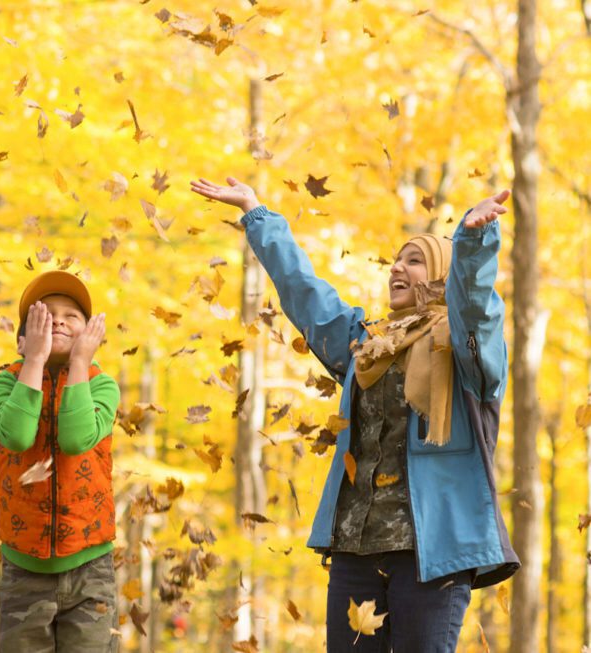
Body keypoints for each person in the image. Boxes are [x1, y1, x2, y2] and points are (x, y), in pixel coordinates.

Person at [190, 177, 519, 652]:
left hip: (432, 554)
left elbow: (476, 309)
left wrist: (471, 240)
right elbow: (306, 294)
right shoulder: (366, 344)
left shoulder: (470, 354)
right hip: (355, 546)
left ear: (443, 276)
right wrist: (256, 214)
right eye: (395, 261)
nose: (396, 268)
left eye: (414, 259)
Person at [0, 270, 120, 652]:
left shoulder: (101, 384)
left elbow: (76, 439)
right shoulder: (6, 381)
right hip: (23, 567)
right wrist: (34, 360)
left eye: (71, 316)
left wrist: (79, 364)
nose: (59, 320)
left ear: (90, 337)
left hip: (89, 565)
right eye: (45, 315)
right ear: (20, 341)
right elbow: (16, 435)